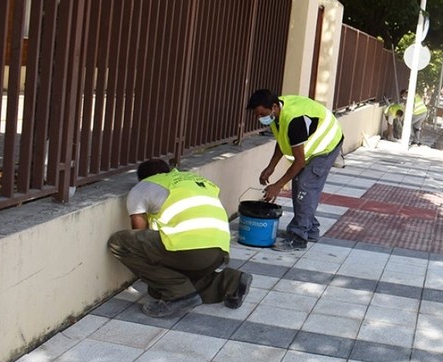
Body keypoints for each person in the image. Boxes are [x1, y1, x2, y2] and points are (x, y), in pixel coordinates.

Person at [108, 159, 252, 318]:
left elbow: (138, 233)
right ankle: (230, 281)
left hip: (190, 251)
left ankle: (179, 295)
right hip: (219, 253)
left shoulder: (143, 187)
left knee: (119, 242)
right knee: (156, 290)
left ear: (142, 178)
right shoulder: (195, 180)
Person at [247, 89, 344, 251]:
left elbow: (299, 162)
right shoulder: (276, 113)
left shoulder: (294, 120)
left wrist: (277, 185)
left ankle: (298, 238)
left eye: (262, 114)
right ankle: (310, 229)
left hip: (327, 145)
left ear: (273, 107)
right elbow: (283, 140)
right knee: (300, 185)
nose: (260, 118)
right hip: (312, 147)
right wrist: (271, 166)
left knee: (305, 186)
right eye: (257, 115)